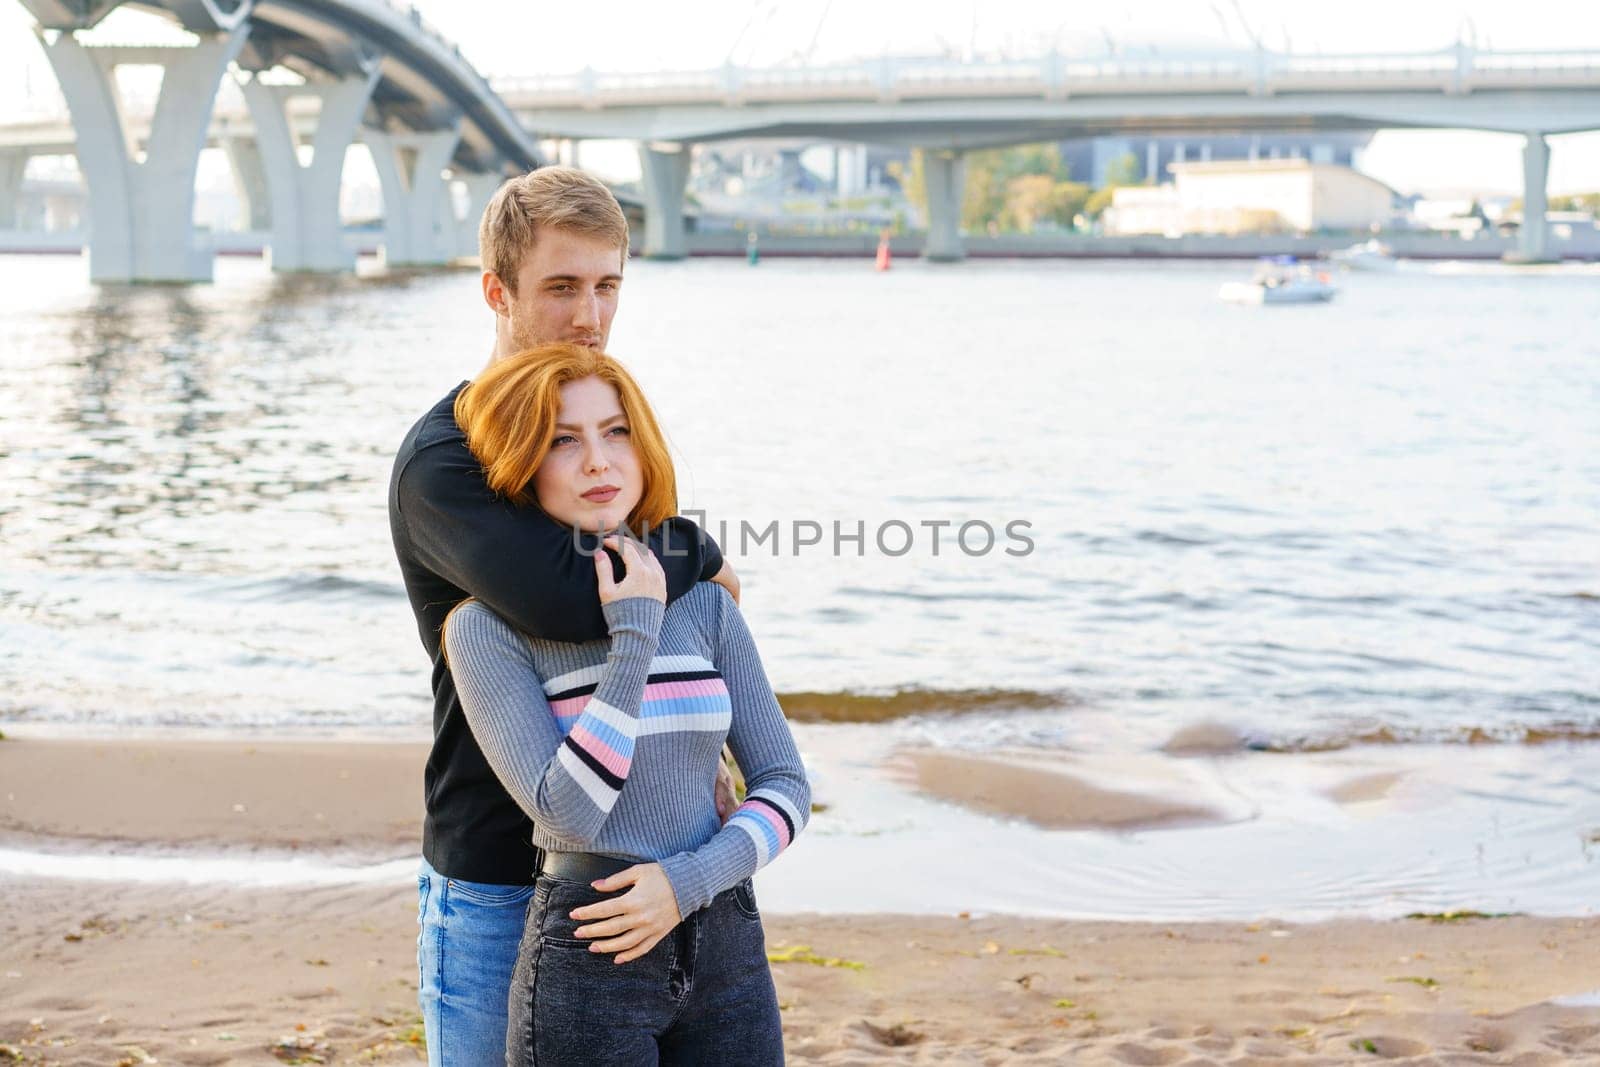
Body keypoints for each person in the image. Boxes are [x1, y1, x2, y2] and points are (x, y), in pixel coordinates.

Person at [388, 167, 739, 1065]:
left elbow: (674, 619)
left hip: (643, 873)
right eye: (561, 287)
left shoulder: (593, 434)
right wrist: (697, 549)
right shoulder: (446, 460)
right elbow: (567, 595)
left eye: (607, 285)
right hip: (497, 878)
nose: (589, 316)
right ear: (496, 293)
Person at [442, 342, 808, 1065]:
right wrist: (633, 633)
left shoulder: (706, 603)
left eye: (615, 432)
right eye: (562, 442)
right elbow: (567, 814)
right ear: (521, 466)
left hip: (726, 938)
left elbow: (789, 786)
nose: (599, 461)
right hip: (589, 951)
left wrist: (689, 881)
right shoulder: (482, 629)